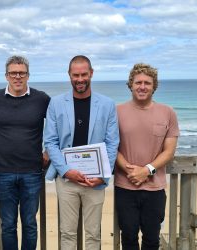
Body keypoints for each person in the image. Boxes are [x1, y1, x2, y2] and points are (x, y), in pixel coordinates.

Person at [44, 55, 119, 249]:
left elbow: (112, 143)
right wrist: (66, 171)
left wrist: (103, 176)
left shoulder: (107, 104)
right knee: (67, 233)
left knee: (93, 235)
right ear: (69, 75)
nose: (80, 79)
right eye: (75, 75)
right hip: (66, 179)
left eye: (84, 74)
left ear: (91, 73)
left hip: (95, 181)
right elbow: (50, 142)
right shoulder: (56, 103)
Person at [0, 55, 50, 250]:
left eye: (22, 73)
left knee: (30, 224)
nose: (18, 77)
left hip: (32, 172)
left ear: (28, 75)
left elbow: (56, 124)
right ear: (6, 76)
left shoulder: (41, 99)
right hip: (4, 172)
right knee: (8, 225)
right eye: (13, 73)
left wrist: (48, 150)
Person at [114, 63, 179, 250]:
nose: (142, 86)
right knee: (128, 238)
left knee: (151, 240)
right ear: (131, 85)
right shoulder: (117, 111)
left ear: (154, 86)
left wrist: (146, 170)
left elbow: (169, 151)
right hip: (125, 187)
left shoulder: (168, 112)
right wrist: (129, 170)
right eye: (138, 82)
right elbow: (111, 146)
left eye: (147, 83)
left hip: (155, 189)